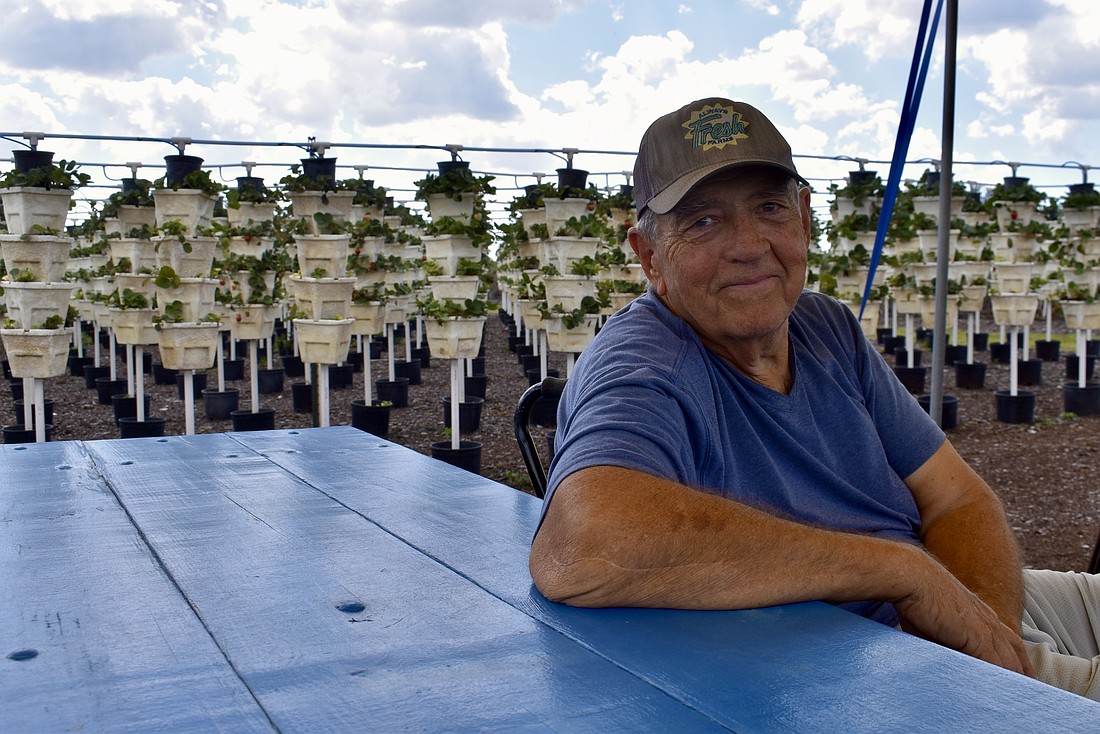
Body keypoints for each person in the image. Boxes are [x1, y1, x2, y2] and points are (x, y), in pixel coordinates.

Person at [528, 96, 1100, 700]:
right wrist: (900, 571)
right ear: (649, 257)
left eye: (769, 208)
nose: (749, 245)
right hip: (872, 665)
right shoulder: (644, 361)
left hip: (964, 611)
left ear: (803, 220)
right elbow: (583, 546)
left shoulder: (825, 326)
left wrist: (980, 626)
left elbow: (957, 498)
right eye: (703, 221)